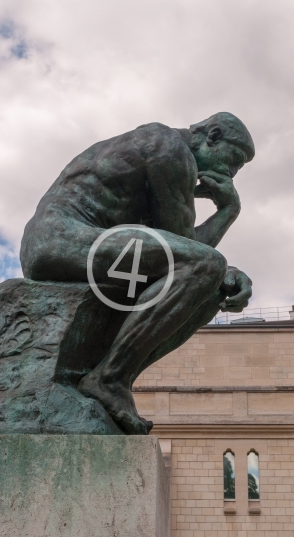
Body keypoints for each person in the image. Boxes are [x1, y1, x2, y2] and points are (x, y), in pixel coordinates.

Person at [20, 112, 254, 434]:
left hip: (86, 244)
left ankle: (114, 376)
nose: (232, 173)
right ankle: (110, 378)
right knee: (208, 268)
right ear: (212, 136)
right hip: (59, 238)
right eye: (235, 160)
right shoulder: (170, 147)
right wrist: (228, 212)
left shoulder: (166, 155)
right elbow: (191, 251)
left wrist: (224, 273)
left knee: (214, 286)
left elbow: (176, 251)